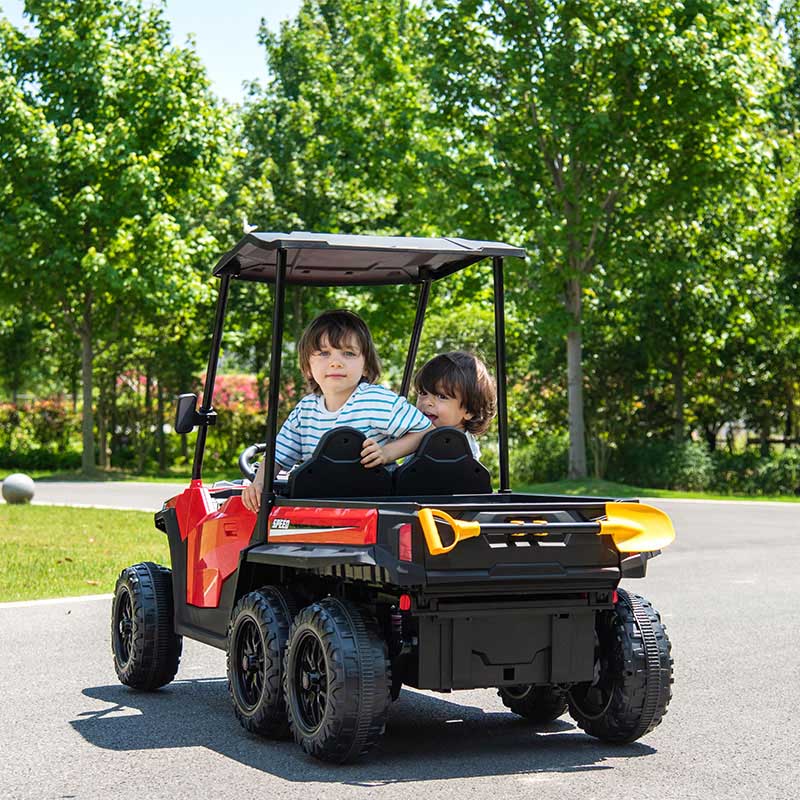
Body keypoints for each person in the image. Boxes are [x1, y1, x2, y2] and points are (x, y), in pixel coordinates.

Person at [242, 309, 431, 512]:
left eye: (348, 353)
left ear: (366, 366)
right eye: (324, 353)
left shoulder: (376, 400)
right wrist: (259, 484)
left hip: (374, 507)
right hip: (318, 507)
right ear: (308, 367)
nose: (336, 362)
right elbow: (277, 455)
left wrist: (387, 453)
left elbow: (426, 431)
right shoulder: (305, 411)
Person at [413, 351, 497, 459]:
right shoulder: (426, 433)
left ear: (469, 411)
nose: (426, 402)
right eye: (423, 393)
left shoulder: (459, 452)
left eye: (441, 396)